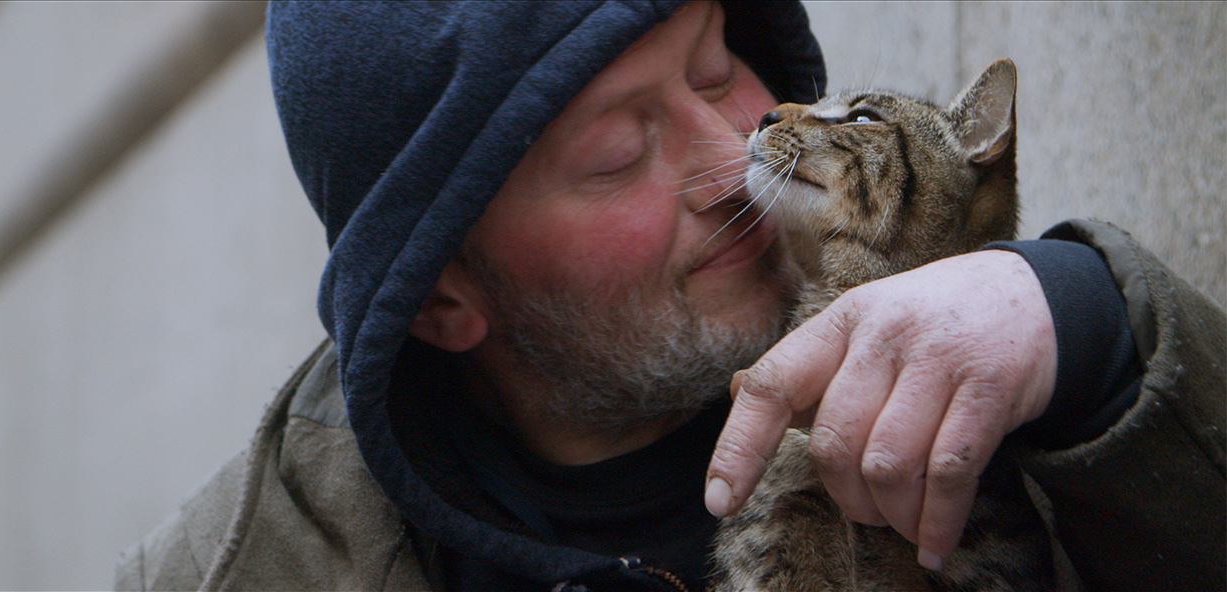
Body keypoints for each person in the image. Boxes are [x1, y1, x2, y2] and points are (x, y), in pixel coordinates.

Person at [115, 2, 1225, 590]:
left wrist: (1096, 336)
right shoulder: (243, 571)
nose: (732, 148)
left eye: (712, 65)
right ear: (442, 298)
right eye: (612, 152)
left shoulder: (1041, 375)